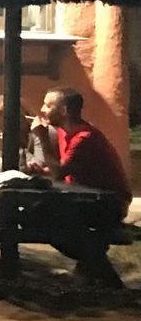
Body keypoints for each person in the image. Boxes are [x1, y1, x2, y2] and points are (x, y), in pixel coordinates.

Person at [28, 86, 132, 221]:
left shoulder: (84, 138)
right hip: (85, 195)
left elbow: (59, 173)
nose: (42, 110)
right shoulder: (64, 132)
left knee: (39, 212)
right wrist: (41, 171)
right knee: (34, 208)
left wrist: (43, 137)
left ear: (64, 111)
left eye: (48, 106)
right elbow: (70, 168)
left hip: (109, 204)